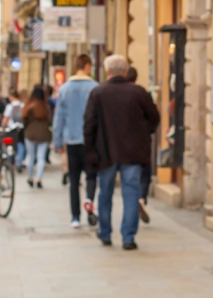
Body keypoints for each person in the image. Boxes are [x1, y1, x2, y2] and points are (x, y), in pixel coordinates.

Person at [84, 55, 160, 250]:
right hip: (132, 152)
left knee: (105, 193)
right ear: (126, 71)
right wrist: (144, 133)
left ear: (107, 71)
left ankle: (105, 233)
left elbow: (89, 124)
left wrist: (90, 149)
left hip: (105, 152)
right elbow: (154, 118)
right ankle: (128, 237)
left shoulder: (98, 93)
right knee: (131, 193)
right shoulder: (138, 92)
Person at [53, 54, 99, 229]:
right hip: (91, 140)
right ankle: (89, 201)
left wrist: (57, 142)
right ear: (87, 66)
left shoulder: (64, 89)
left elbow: (59, 119)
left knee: (74, 179)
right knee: (91, 176)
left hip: (72, 140)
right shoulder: (94, 88)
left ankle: (75, 217)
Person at [125, 66, 151, 224]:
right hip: (142, 141)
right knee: (145, 173)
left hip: (123, 144)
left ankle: (134, 199)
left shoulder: (116, 93)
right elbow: (153, 116)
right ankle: (141, 198)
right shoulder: (141, 93)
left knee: (130, 179)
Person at [22, 87, 52, 188]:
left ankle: (30, 177)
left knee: (31, 157)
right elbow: (50, 121)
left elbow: (24, 120)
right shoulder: (45, 107)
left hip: (30, 133)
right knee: (41, 157)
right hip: (43, 134)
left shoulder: (28, 106)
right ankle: (39, 178)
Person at [2, 90, 25, 167]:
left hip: (11, 128)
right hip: (21, 128)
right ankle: (19, 162)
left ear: (11, 97)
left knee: (9, 145)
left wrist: (3, 127)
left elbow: (6, 119)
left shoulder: (9, 106)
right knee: (21, 144)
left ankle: (10, 161)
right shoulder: (23, 105)